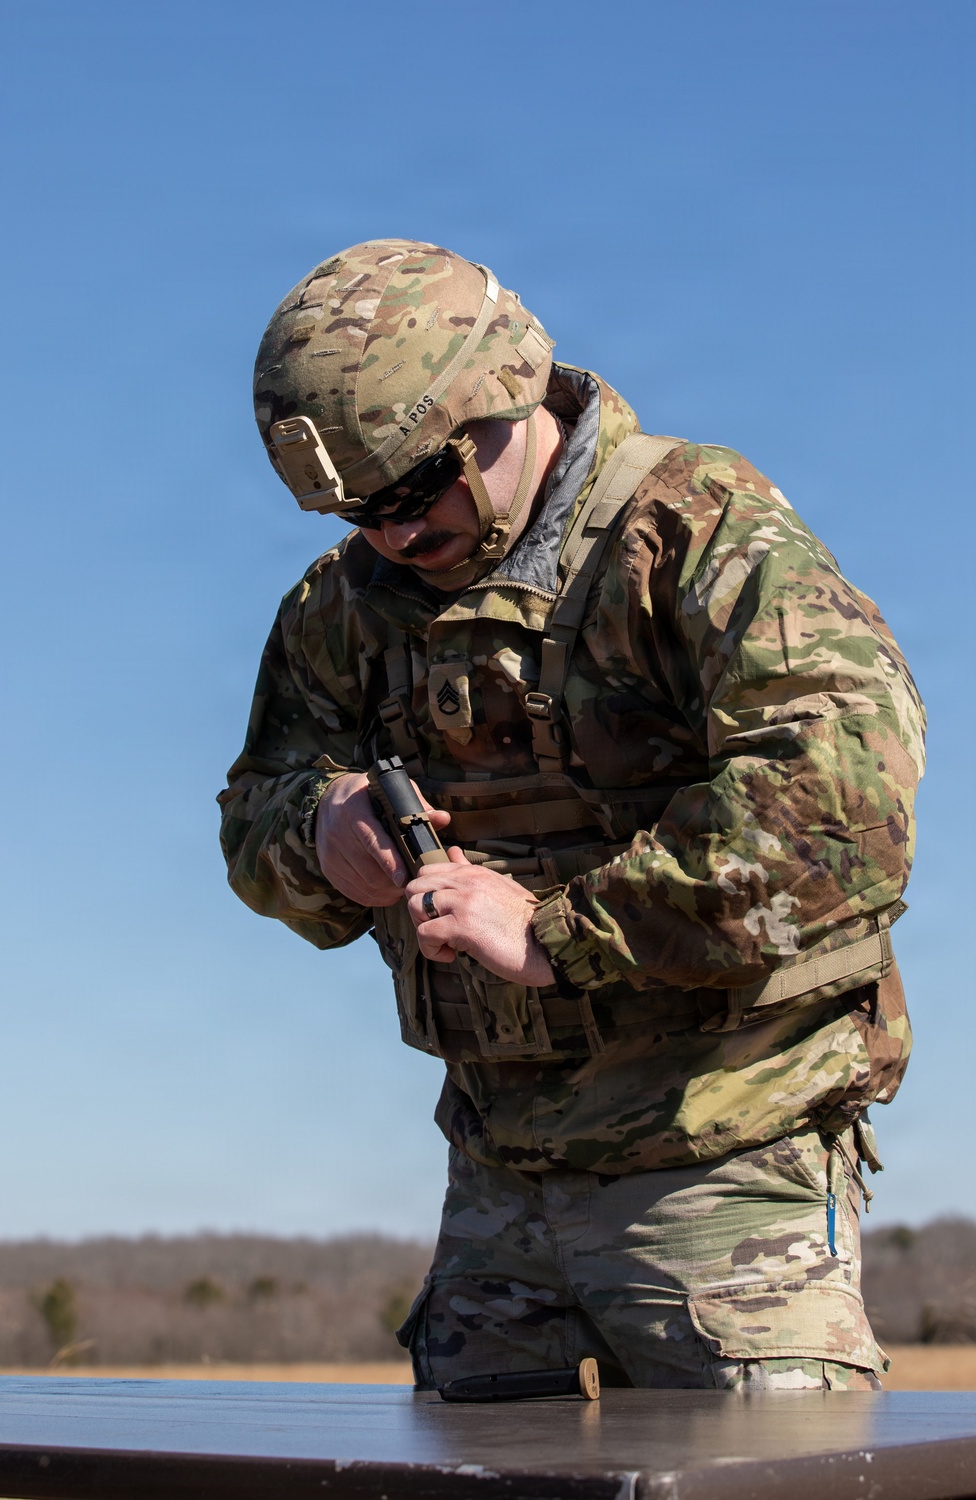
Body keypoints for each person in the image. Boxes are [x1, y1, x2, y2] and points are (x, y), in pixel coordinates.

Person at [219, 239, 925, 1391]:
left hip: (723, 1168)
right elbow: (253, 815)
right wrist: (316, 834)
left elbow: (841, 806)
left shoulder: (694, 529)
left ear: (505, 395)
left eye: (413, 488)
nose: (394, 535)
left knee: (779, 1470)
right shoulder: (345, 609)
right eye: (354, 509)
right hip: (497, 1184)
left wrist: (558, 934)